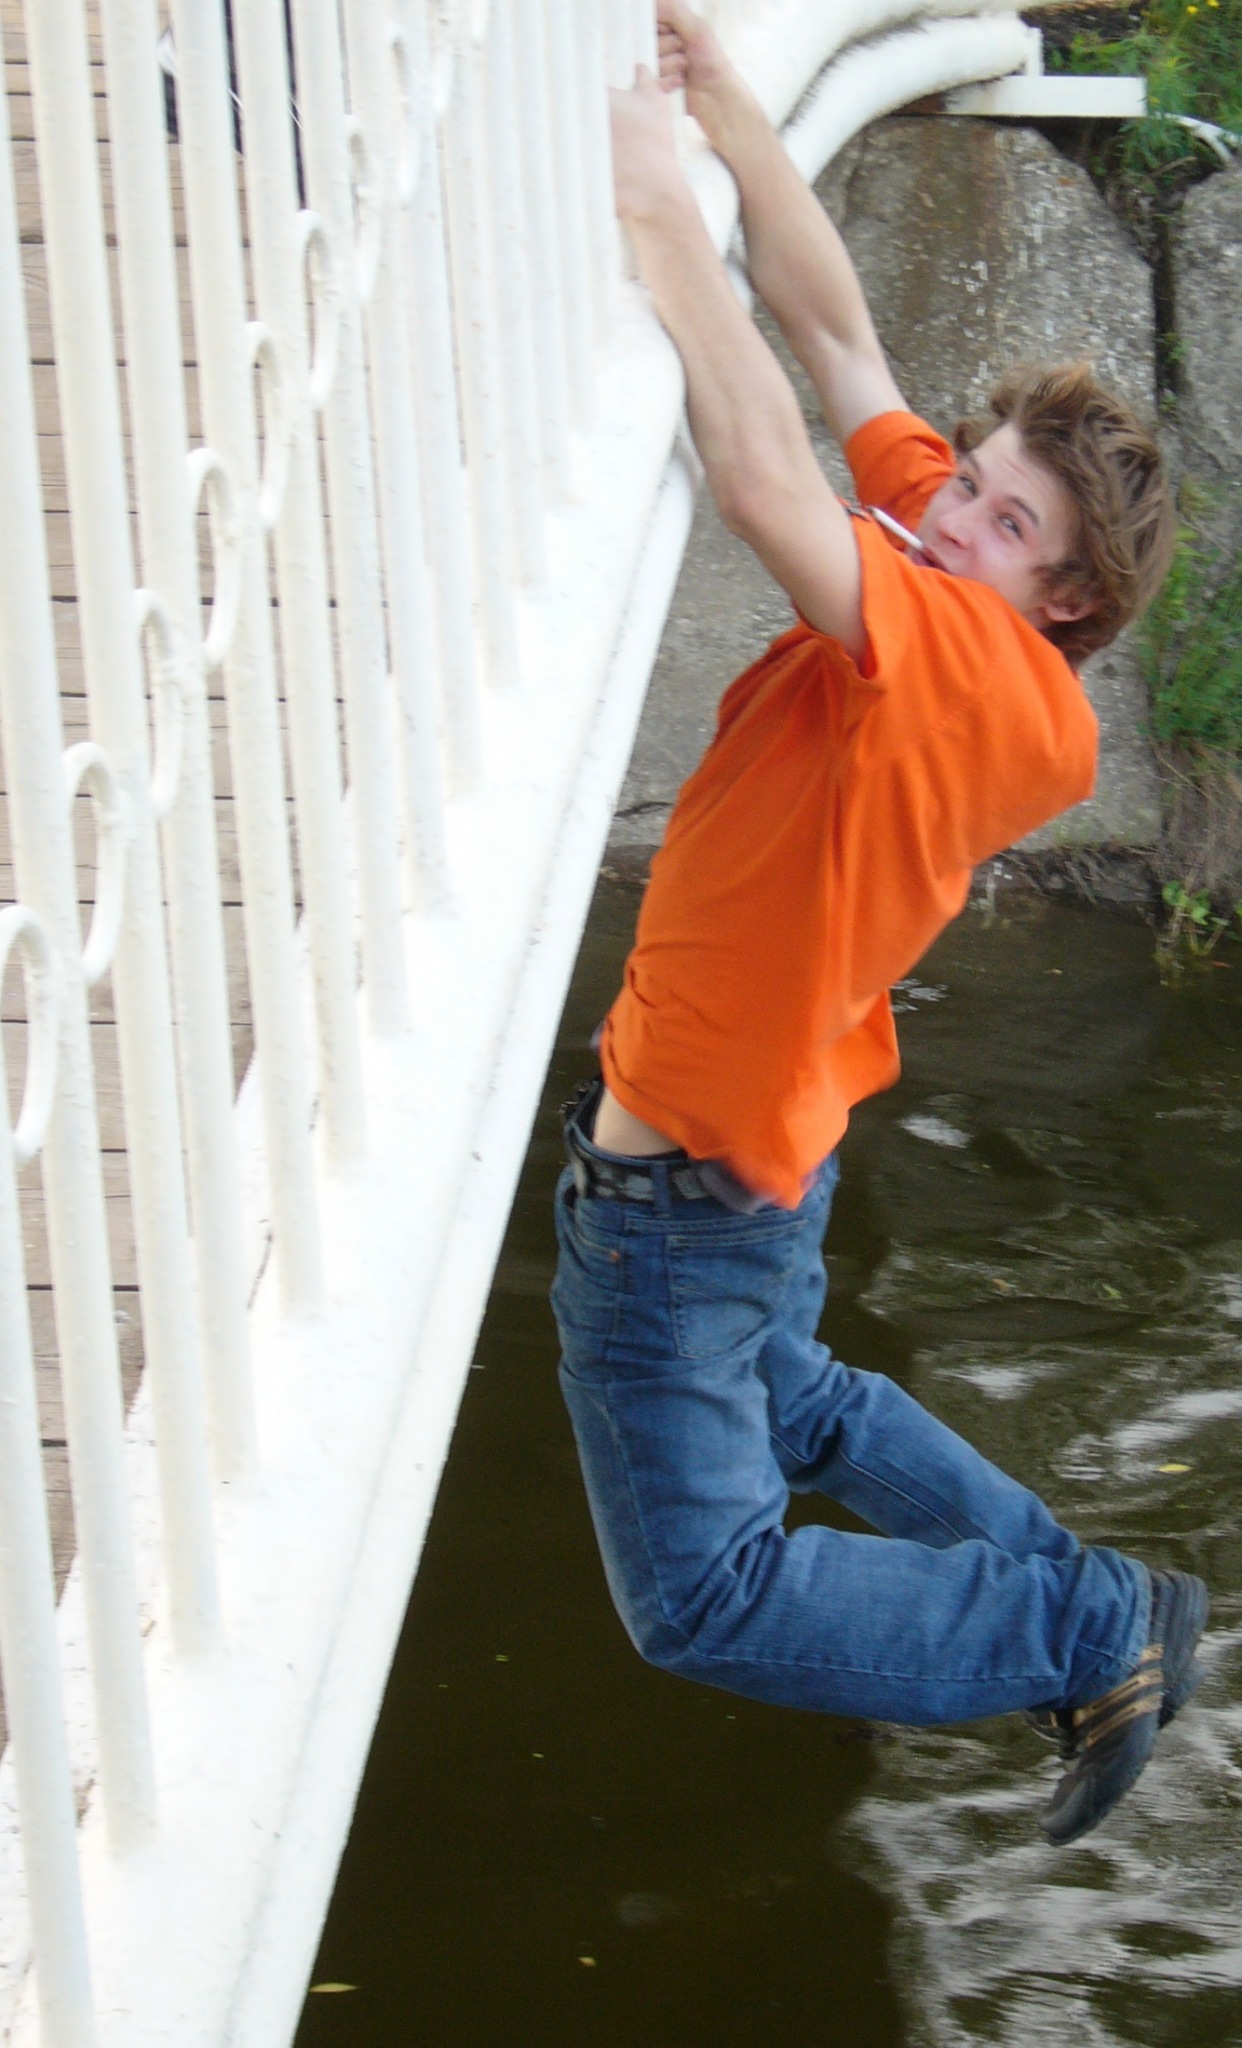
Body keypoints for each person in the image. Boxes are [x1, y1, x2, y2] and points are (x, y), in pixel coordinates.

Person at [551, 1, 1207, 1848]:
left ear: (1060, 601)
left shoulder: (980, 679)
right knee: (814, 1402)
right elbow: (837, 340)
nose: (948, 512)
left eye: (997, 519)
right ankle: (1100, 1614)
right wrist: (736, 122)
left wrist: (655, 214)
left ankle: (1076, 1629)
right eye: (970, 481)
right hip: (750, 1152)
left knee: (705, 1596)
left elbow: (766, 475)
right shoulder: (956, 577)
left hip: (684, 1196)